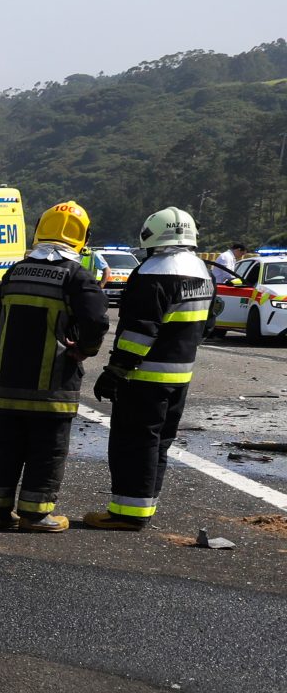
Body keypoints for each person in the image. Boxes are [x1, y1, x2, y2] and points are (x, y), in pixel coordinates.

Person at [0, 201, 109, 532]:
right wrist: (85, 351)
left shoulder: (16, 270)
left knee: (5, 445)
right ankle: (35, 514)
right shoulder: (77, 276)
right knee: (47, 448)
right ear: (83, 236)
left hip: (9, 382)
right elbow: (95, 320)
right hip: (52, 383)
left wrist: (2, 344)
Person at [81, 206, 212, 531]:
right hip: (181, 375)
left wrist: (115, 371)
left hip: (144, 377)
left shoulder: (153, 272)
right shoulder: (201, 270)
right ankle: (144, 507)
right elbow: (207, 323)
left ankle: (126, 514)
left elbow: (139, 330)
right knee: (159, 442)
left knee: (133, 443)